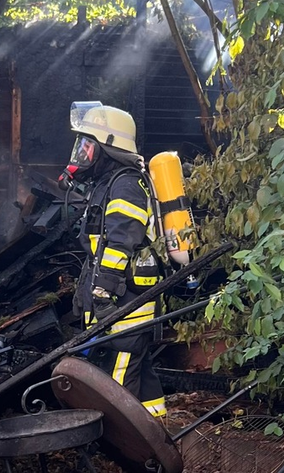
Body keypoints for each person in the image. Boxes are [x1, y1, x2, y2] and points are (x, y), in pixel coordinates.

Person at [59, 101, 166, 418]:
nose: (81, 152)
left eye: (87, 144)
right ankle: (157, 438)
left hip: (126, 302)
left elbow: (121, 241)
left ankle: (129, 450)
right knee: (141, 375)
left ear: (109, 146)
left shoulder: (127, 184)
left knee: (118, 385)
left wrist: (102, 291)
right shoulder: (109, 183)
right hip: (119, 299)